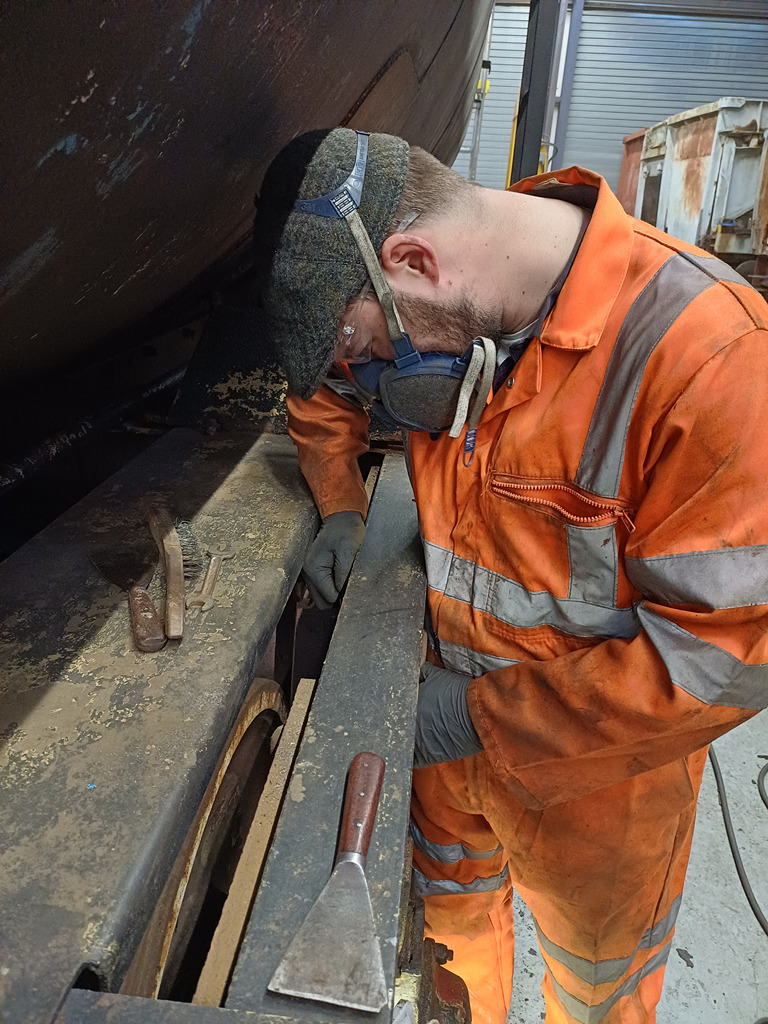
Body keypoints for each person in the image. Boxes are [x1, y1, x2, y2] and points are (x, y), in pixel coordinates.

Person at [251, 127, 768, 1023]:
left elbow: (722, 659)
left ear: (413, 260)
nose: (368, 379)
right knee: (450, 951)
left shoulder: (715, 359)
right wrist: (339, 498)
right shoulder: (458, 301)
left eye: (365, 348)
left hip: (597, 776)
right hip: (444, 744)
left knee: (597, 989)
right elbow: (325, 379)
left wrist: (473, 717)